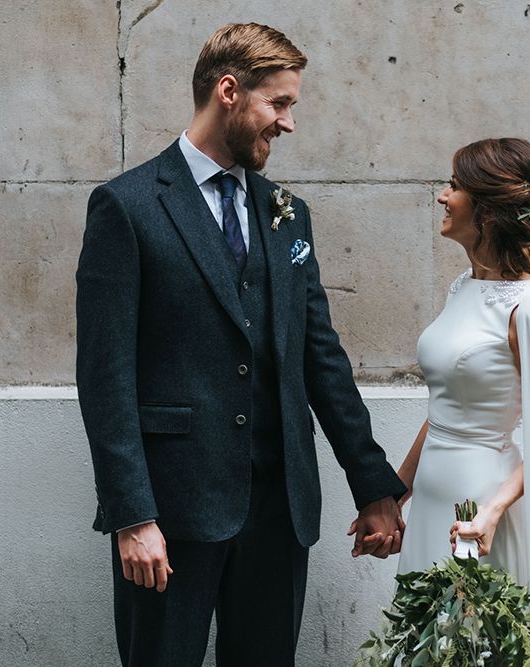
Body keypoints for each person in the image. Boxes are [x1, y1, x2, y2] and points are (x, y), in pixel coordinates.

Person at [76, 22, 405, 667]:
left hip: (278, 509)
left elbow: (321, 357)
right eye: (278, 104)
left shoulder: (288, 212)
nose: (288, 124)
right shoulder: (129, 206)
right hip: (170, 511)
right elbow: (105, 375)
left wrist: (374, 483)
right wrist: (131, 515)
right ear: (229, 91)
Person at [394, 138, 530, 665]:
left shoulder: (529, 308)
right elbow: (443, 412)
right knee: (427, 646)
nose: (442, 196)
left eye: (454, 186)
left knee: (468, 645)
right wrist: (394, 495)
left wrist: (494, 510)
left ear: (485, 209)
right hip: (435, 496)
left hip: (473, 505)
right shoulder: (461, 288)